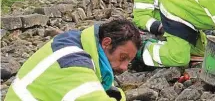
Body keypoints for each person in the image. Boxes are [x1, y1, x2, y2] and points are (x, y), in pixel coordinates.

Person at [4, 19, 142, 101]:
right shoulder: (73, 62)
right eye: (122, 58)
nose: (124, 67)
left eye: (128, 61)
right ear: (106, 43)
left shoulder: (81, 42)